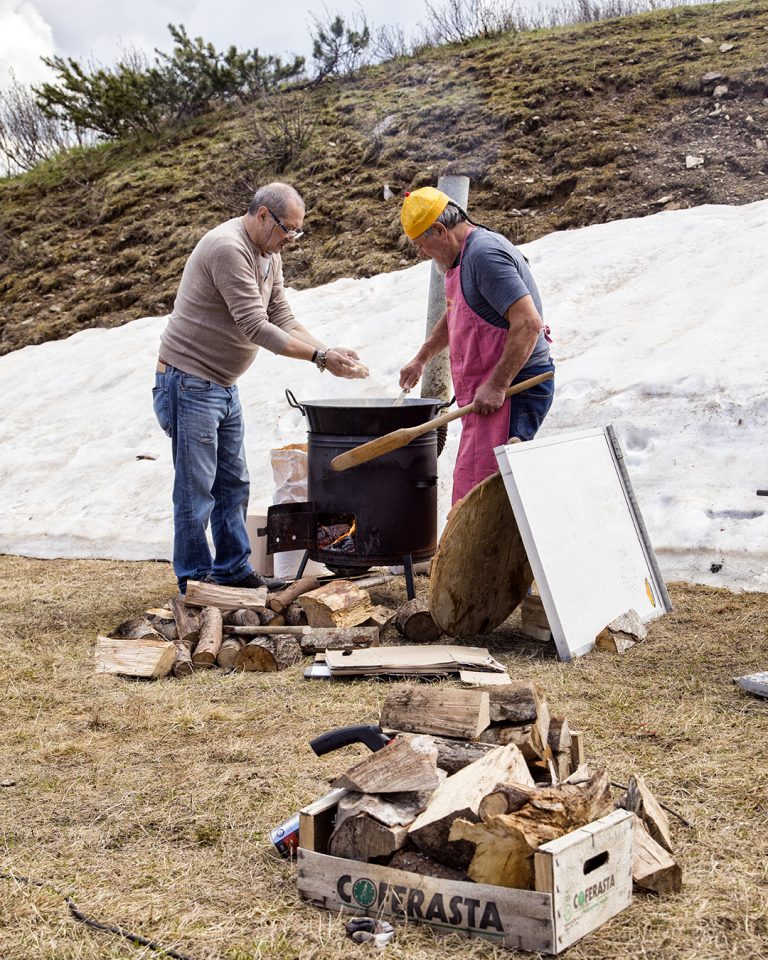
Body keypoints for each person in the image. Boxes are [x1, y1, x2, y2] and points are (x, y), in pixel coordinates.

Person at [153, 182, 367, 594]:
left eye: (298, 231)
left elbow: (281, 314)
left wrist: (327, 349)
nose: (292, 238)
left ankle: (233, 569)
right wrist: (318, 360)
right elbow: (255, 325)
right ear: (263, 215)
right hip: (188, 382)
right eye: (289, 228)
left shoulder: (268, 254)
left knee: (232, 483)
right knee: (196, 490)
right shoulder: (227, 247)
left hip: (222, 384)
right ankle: (195, 583)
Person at [399, 187, 554, 504]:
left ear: (440, 231)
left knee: (490, 493)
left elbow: (528, 323)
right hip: (491, 393)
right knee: (473, 485)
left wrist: (497, 385)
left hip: (515, 390)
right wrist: (423, 357)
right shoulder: (460, 258)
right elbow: (457, 312)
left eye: (421, 245)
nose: (422, 254)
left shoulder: (484, 255)